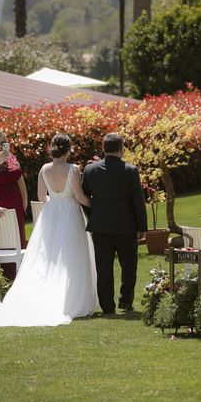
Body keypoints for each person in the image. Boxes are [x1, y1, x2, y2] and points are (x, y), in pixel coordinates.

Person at [0, 134, 97, 327]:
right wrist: (94, 204)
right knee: (71, 254)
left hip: (51, 214)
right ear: (68, 150)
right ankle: (72, 299)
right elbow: (79, 196)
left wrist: (55, 203)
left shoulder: (44, 169)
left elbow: (42, 197)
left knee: (48, 255)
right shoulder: (73, 169)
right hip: (69, 212)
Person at [82, 132, 148, 314]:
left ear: (103, 149)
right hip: (126, 226)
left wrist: (93, 213)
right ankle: (125, 301)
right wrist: (142, 226)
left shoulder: (90, 171)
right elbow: (138, 201)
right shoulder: (130, 170)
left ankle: (107, 306)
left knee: (103, 267)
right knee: (129, 264)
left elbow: (84, 197)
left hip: (100, 226)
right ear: (122, 149)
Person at [0, 129, 28, 247]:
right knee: (2, 236)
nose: (0, 146)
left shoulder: (11, 157)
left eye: (3, 143)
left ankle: (19, 264)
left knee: (17, 235)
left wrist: (24, 200)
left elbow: (19, 177)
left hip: (15, 202)